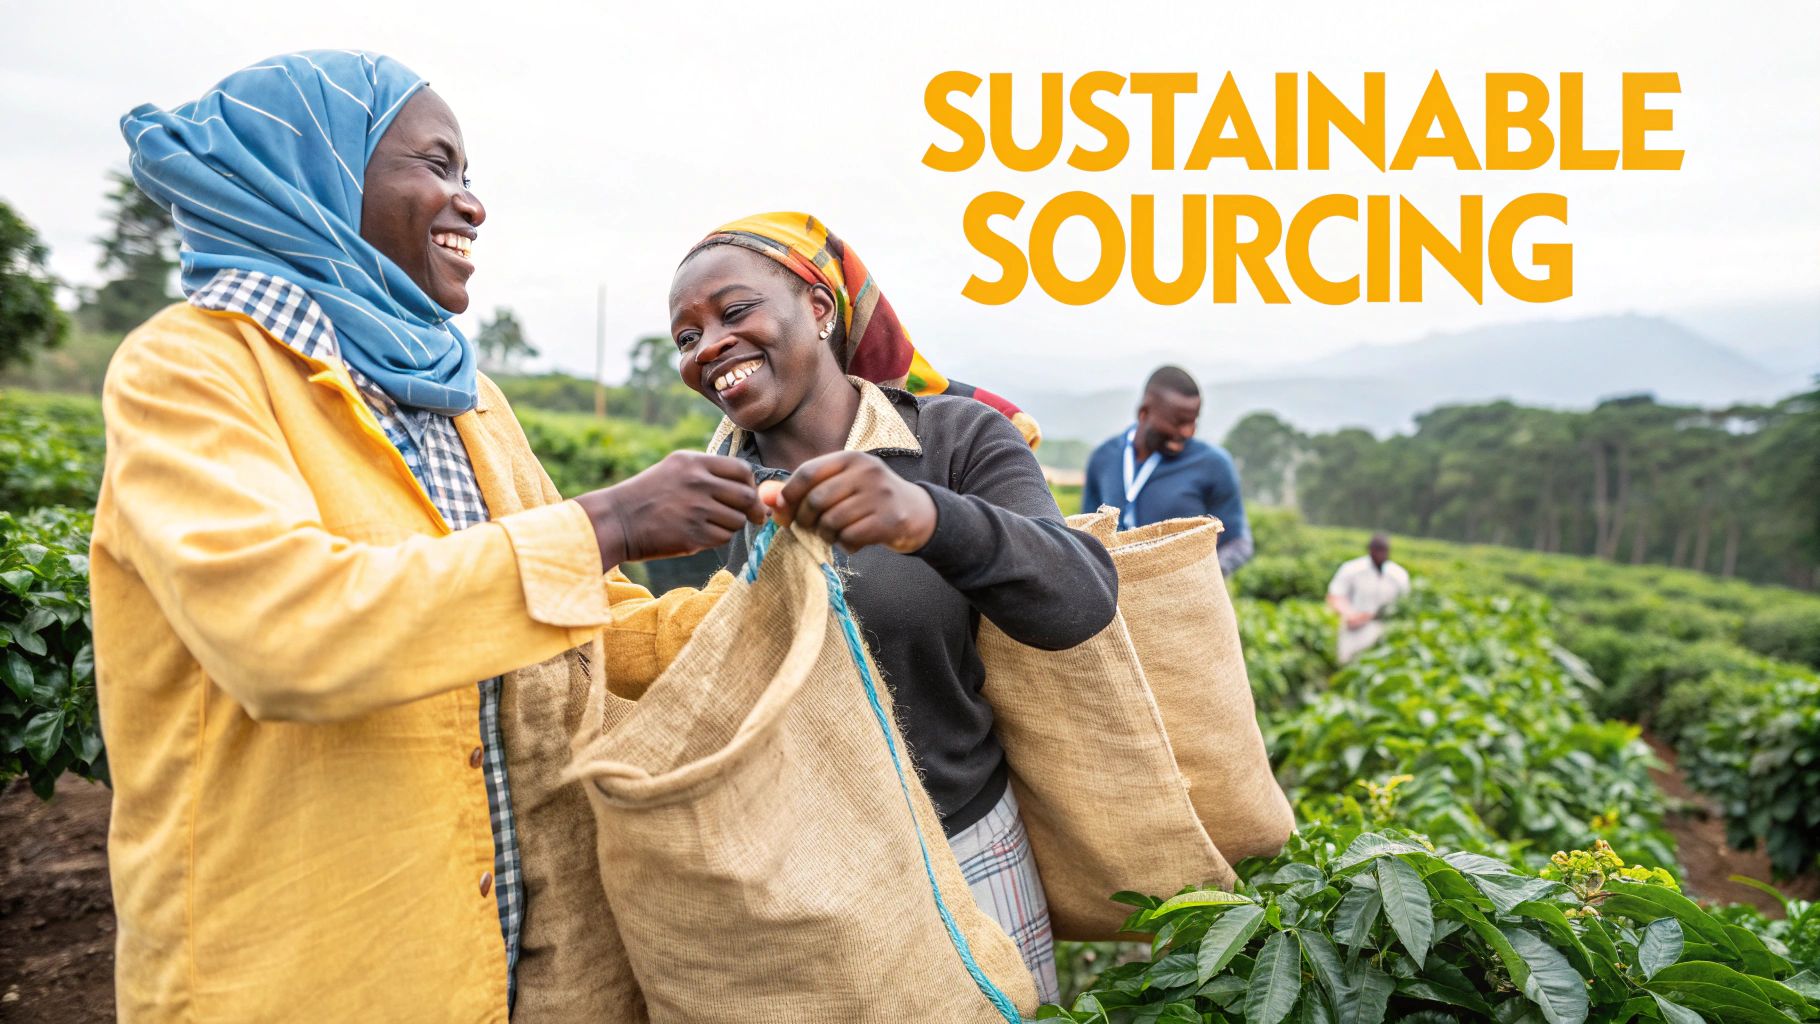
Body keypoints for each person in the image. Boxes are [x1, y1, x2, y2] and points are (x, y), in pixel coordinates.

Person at [95, 52, 763, 1022]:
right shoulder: (192, 370)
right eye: (437, 165)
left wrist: (796, 598)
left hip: (518, 972)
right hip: (311, 981)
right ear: (316, 174)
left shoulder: (464, 399)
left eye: (469, 174)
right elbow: (285, 633)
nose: (471, 203)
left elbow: (582, 627)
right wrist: (609, 521)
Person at [667, 212, 1119, 1003]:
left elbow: (1080, 599)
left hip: (968, 846)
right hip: (799, 876)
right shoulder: (705, 500)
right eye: (687, 336)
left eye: (734, 313)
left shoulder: (953, 440)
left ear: (819, 307)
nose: (708, 347)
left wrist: (928, 517)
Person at [1081, 366, 1253, 574]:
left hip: (1187, 598)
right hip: (1118, 599)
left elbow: (1238, 542)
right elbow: (1086, 536)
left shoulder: (1213, 464)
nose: (1188, 432)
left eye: (1193, 421)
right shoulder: (1103, 458)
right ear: (1144, 413)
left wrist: (1198, 573)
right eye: (1178, 422)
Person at [1326, 533, 1412, 663]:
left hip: (1385, 629)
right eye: (1377, 550)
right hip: (1353, 630)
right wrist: (1351, 615)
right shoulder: (1352, 569)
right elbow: (1335, 595)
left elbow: (1404, 605)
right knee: (1348, 662)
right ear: (1370, 550)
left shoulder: (1398, 575)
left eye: (1384, 551)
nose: (1381, 554)